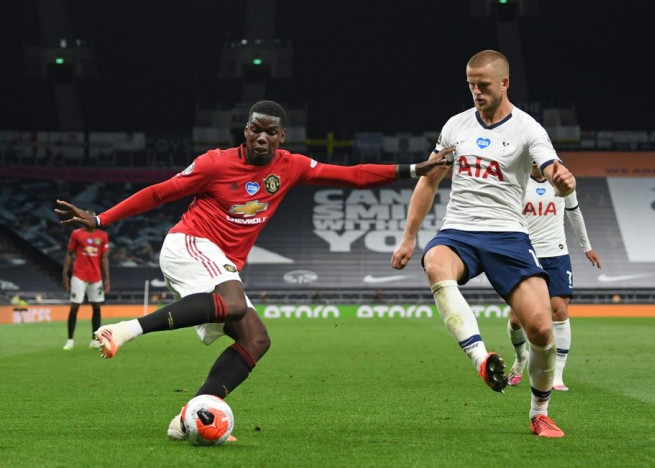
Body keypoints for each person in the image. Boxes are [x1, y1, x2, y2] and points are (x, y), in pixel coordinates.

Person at [55, 100, 450, 441]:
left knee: (257, 339)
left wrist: (415, 169)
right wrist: (101, 219)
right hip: (189, 244)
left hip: (220, 264)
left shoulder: (291, 167)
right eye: (255, 130)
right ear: (245, 131)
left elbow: (352, 175)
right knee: (232, 303)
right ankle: (123, 329)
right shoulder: (214, 164)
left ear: (282, 137)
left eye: (270, 132)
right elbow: (160, 192)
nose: (262, 138)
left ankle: (188, 417)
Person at [391, 50, 576, 438]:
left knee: (541, 329)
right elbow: (428, 181)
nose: (476, 91)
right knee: (436, 262)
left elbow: (549, 167)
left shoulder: (528, 129)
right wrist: (409, 237)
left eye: (484, 85)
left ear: (505, 83)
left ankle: (539, 412)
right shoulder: (455, 127)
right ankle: (480, 357)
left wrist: (559, 179)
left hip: (509, 235)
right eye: (471, 84)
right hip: (459, 230)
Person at [506, 162, 602, 391]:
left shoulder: (561, 178)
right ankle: (521, 357)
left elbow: (574, 211)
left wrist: (586, 246)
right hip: (525, 253)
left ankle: (557, 374)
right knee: (516, 319)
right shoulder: (516, 180)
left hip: (556, 254)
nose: (535, 162)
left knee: (559, 310)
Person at [61, 213, 110, 350]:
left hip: (96, 277)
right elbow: (69, 254)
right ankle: (70, 340)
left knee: (97, 307)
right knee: (75, 306)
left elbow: (104, 258)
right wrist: (65, 274)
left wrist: (107, 279)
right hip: (79, 275)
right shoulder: (76, 234)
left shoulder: (103, 236)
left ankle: (95, 340)